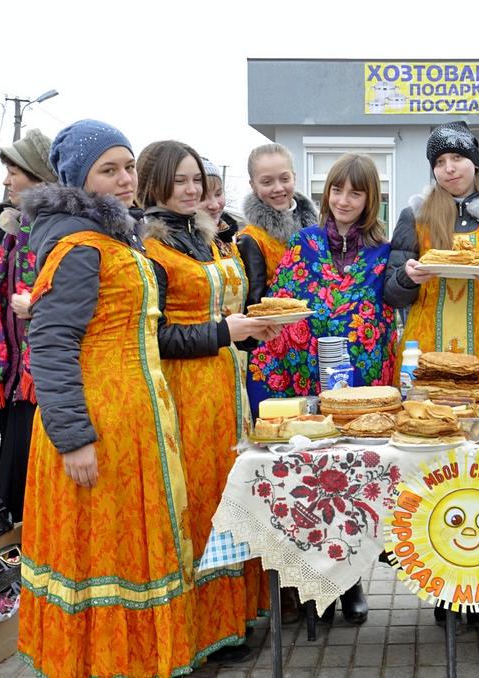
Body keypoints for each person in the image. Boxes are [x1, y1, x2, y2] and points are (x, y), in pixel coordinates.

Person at [19, 120, 197, 678]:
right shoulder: (79, 247)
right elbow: (49, 344)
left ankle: (136, 663)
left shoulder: (110, 238)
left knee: (126, 551)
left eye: (128, 167)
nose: (125, 180)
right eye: (108, 170)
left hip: (134, 423)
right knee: (104, 555)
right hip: (98, 424)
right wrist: (73, 439)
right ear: (79, 179)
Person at [138, 140, 277, 663]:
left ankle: (234, 616)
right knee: (197, 502)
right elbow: (152, 336)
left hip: (224, 388)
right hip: (181, 393)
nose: (192, 190)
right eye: (179, 181)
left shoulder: (210, 237)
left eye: (196, 179)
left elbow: (225, 315)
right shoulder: (148, 249)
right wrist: (224, 332)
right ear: (154, 183)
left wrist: (245, 333)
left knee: (230, 494)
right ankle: (199, 632)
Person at [384, 120, 479, 398]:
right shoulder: (416, 215)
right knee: (424, 424)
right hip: (425, 351)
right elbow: (393, 295)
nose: (449, 168)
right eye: (439, 162)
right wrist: (407, 277)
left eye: (457, 157)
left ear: (475, 162)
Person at [253, 152, 397, 399]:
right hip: (306, 378)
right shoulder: (303, 244)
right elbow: (278, 314)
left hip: (364, 383)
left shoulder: (383, 252)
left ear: (369, 199)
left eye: (355, 193)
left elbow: (385, 324)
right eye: (337, 190)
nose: (343, 201)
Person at [0, 129, 58, 521]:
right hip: (14, 375)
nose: (6, 181)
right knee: (15, 471)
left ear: (40, 178)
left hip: (41, 375)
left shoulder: (51, 229)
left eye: (13, 172)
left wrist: (37, 306)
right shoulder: (14, 228)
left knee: (31, 479)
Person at [236, 142, 318, 418]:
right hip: (274, 350)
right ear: (252, 185)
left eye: (284, 179)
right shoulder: (252, 238)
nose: (278, 188)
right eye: (267, 182)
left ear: (294, 176)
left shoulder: (317, 231)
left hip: (312, 345)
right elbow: (254, 302)